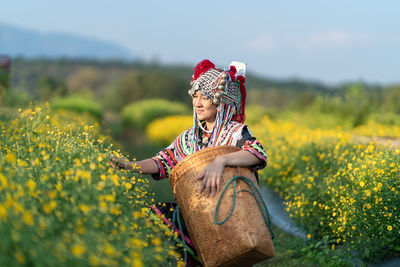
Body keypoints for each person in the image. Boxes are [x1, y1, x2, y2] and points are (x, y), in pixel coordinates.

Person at [110, 59, 268, 265]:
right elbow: (163, 162)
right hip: (199, 214)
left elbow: (257, 153)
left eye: (205, 97)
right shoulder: (190, 138)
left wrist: (221, 160)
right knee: (158, 215)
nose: (198, 103)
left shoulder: (236, 132)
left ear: (222, 101)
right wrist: (128, 165)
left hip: (233, 217)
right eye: (195, 96)